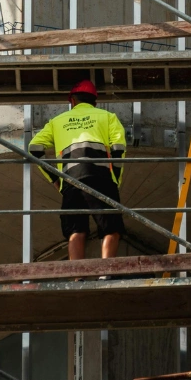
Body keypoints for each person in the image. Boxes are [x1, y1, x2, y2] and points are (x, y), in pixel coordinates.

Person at [29, 80, 127, 261]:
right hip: (101, 178)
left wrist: (56, 179)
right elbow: (119, 147)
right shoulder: (107, 117)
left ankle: (78, 276)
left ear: (72, 101)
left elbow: (34, 148)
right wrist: (116, 178)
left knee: (75, 230)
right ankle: (106, 273)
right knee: (111, 228)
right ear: (94, 102)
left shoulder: (57, 121)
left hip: (71, 181)